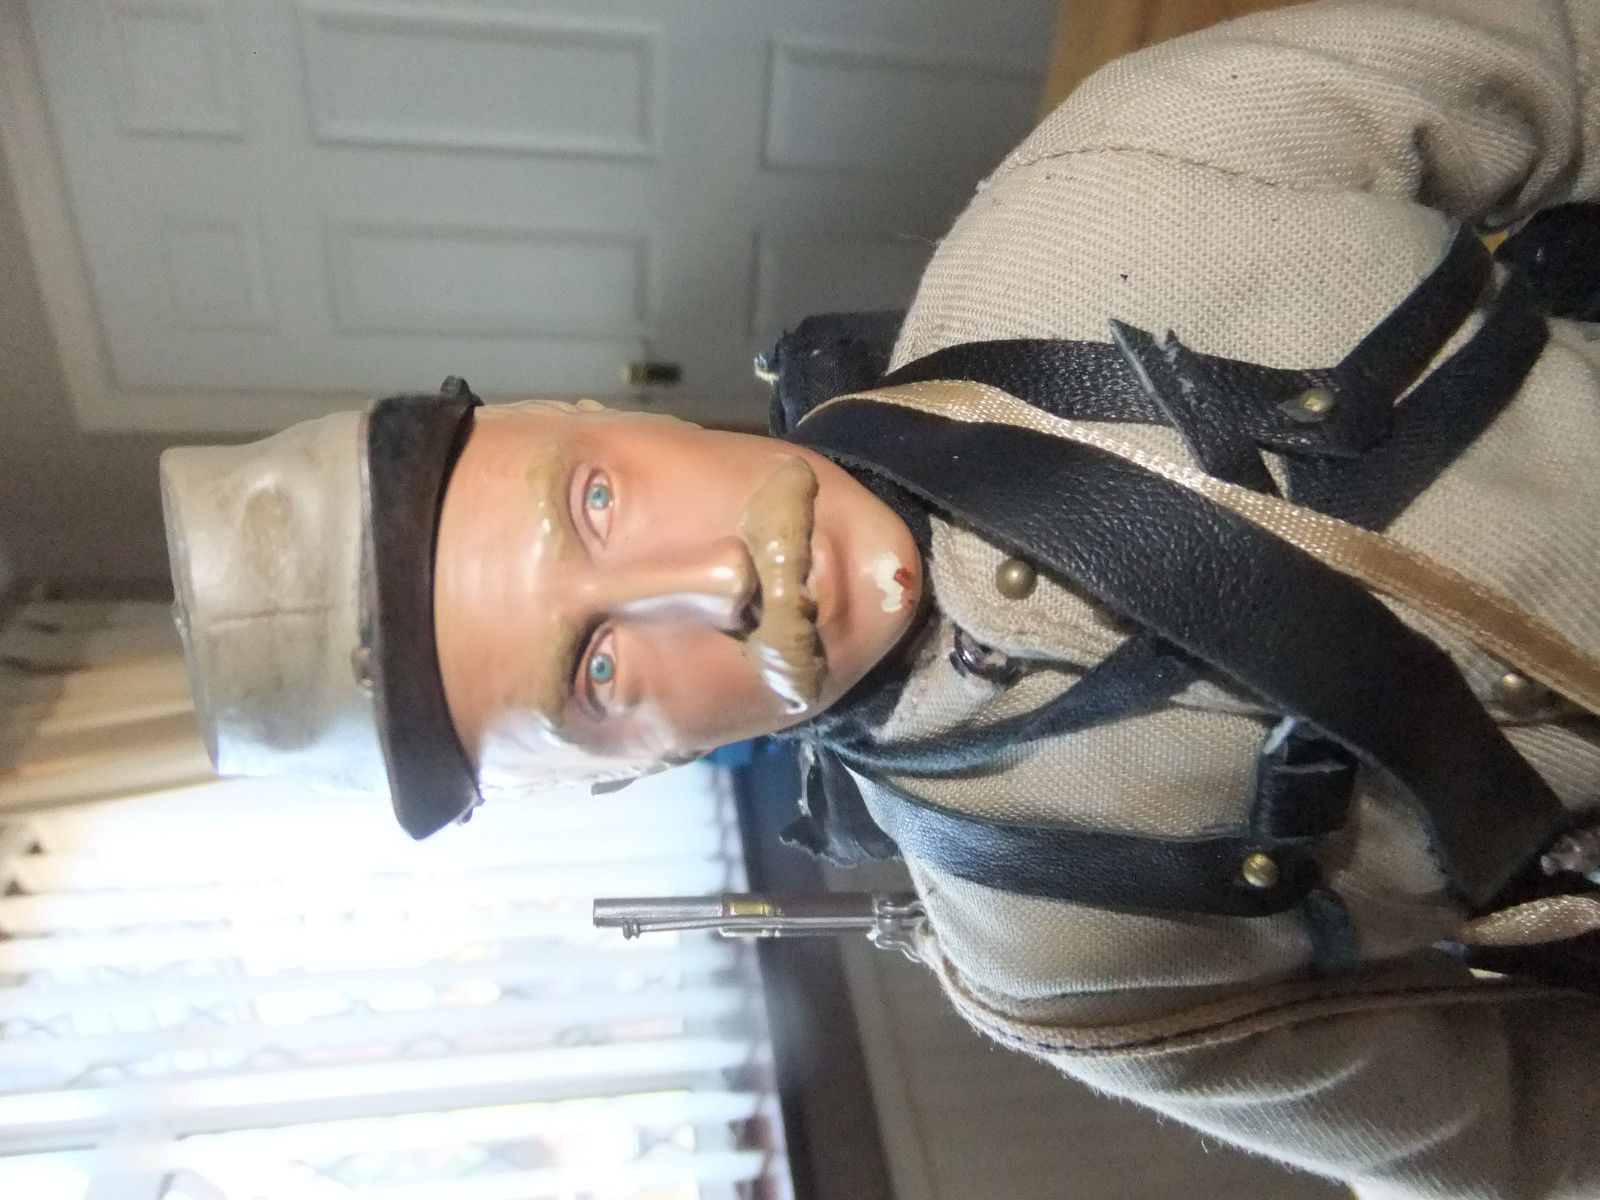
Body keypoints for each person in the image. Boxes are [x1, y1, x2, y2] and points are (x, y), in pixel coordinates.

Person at [158, 0, 1600, 1194]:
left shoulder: (1119, 185)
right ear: (625, 774)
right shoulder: (1057, 956)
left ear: (601, 412)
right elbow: (1525, 1150)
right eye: (598, 674)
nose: (715, 583)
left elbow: (1560, 62)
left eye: (596, 502)